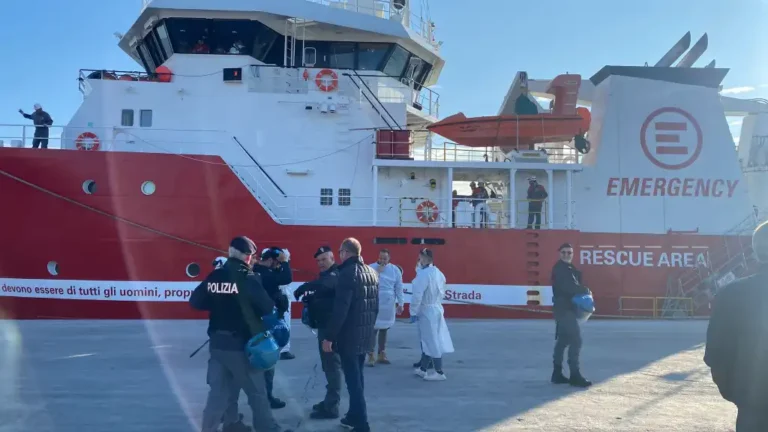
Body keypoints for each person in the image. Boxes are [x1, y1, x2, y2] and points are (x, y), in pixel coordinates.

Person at [188, 236, 292, 432]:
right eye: (252, 256)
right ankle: (268, 428)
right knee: (257, 392)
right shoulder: (248, 278)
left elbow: (196, 302)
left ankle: (229, 424)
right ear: (247, 256)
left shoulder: (215, 275)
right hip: (240, 346)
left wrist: (219, 304)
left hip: (217, 344)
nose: (253, 260)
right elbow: (266, 307)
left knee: (219, 394)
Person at [705, 221, 768, 431]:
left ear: (756, 252)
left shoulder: (730, 295)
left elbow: (716, 356)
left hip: (751, 409)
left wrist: (740, 396)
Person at [322, 238, 378, 432]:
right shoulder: (372, 272)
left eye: (340, 251)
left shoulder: (346, 274)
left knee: (353, 382)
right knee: (357, 378)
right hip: (365, 335)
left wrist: (329, 337)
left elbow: (341, 310)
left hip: (349, 337)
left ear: (345, 252)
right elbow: (375, 307)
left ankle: (362, 424)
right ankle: (353, 415)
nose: (339, 255)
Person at [293, 245, 343, 420]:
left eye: (324, 259)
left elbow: (327, 285)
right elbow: (324, 293)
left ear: (332, 258)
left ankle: (332, 406)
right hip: (324, 326)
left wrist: (305, 287)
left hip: (331, 329)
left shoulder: (335, 274)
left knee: (332, 366)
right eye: (318, 261)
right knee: (328, 366)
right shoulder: (325, 276)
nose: (321, 263)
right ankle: (329, 400)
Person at [252, 248, 292, 410]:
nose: (278, 267)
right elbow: (287, 278)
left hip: (256, 323)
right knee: (268, 362)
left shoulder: (255, 272)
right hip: (266, 324)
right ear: (270, 261)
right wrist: (285, 262)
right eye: (276, 263)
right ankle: (266, 398)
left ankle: (259, 397)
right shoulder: (267, 274)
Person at [551, 243, 592, 387]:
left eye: (569, 252)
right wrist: (585, 290)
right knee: (576, 340)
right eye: (564, 252)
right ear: (559, 253)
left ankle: (557, 374)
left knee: (563, 340)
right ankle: (575, 375)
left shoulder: (568, 268)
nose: (567, 255)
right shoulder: (561, 269)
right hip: (565, 310)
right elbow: (569, 287)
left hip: (564, 309)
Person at [411, 248, 454, 381]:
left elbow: (417, 295)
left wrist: (413, 311)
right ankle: (423, 369)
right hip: (436, 308)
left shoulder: (423, 275)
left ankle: (439, 372)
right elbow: (443, 290)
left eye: (420, 258)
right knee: (428, 339)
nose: (419, 260)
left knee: (431, 340)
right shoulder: (438, 273)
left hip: (426, 310)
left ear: (426, 259)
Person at [367, 249, 404, 366]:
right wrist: (377, 272)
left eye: (385, 258)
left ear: (389, 258)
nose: (382, 260)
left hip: (388, 303)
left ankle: (381, 353)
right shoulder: (370, 267)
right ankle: (370, 354)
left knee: (384, 328)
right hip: (374, 301)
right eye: (381, 258)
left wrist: (401, 303)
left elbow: (399, 287)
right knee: (373, 329)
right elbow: (366, 283)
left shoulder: (395, 270)